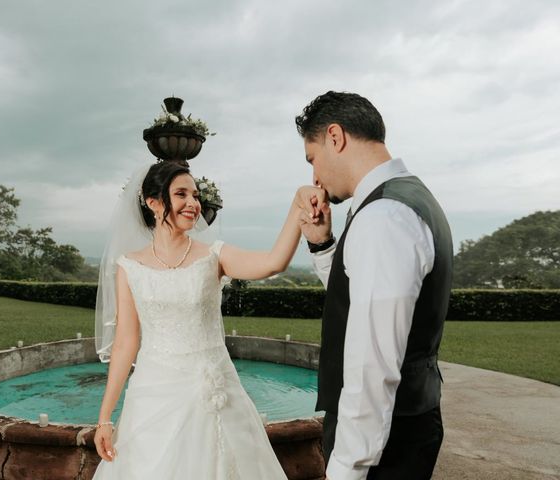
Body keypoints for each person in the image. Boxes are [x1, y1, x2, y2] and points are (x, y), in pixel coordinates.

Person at [91, 160, 307, 479]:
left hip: (214, 392)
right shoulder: (129, 267)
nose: (193, 203)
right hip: (154, 394)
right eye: (181, 194)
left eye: (195, 195)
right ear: (153, 202)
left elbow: (273, 263)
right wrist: (105, 417)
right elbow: (125, 343)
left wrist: (298, 205)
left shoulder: (214, 256)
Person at [295, 91, 453, 480]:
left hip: (386, 445)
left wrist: (347, 466)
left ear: (335, 137)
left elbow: (372, 362)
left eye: (312, 158)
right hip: (407, 424)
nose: (314, 176)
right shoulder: (403, 201)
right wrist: (321, 243)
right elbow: (358, 295)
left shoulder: (384, 216)